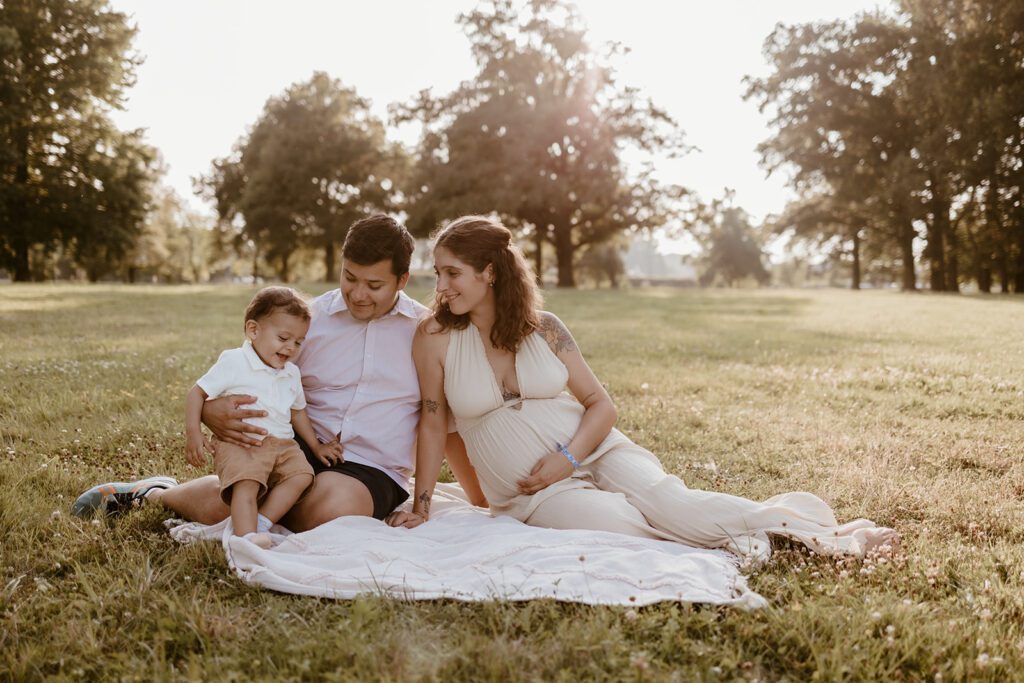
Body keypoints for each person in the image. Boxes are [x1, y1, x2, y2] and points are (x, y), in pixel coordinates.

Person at [388, 215, 898, 565]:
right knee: (618, 528)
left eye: (453, 273)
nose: (442, 287)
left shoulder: (544, 327)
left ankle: (827, 536)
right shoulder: (433, 338)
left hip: (594, 450)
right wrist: (423, 504)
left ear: (490, 273)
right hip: (533, 496)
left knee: (669, 502)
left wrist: (569, 456)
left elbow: (600, 406)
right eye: (439, 274)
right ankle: (770, 533)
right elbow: (433, 422)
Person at [73, 215, 486, 530]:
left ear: (402, 279)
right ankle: (156, 495)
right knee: (239, 499)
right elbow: (251, 373)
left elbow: (440, 423)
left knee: (332, 505)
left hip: (373, 468)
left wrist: (459, 503)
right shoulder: (310, 320)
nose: (359, 295)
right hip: (293, 447)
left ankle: (259, 513)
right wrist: (210, 409)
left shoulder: (426, 331)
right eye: (349, 278)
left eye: (374, 285)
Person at [184, 286, 336, 548]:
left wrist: (316, 446)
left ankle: (261, 524)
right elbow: (196, 393)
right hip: (244, 442)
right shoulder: (235, 361)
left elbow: (298, 413)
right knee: (248, 482)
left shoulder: (291, 373)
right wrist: (194, 433)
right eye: (283, 338)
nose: (291, 348)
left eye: (298, 342)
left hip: (283, 445)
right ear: (254, 330)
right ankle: (244, 539)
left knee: (302, 476)